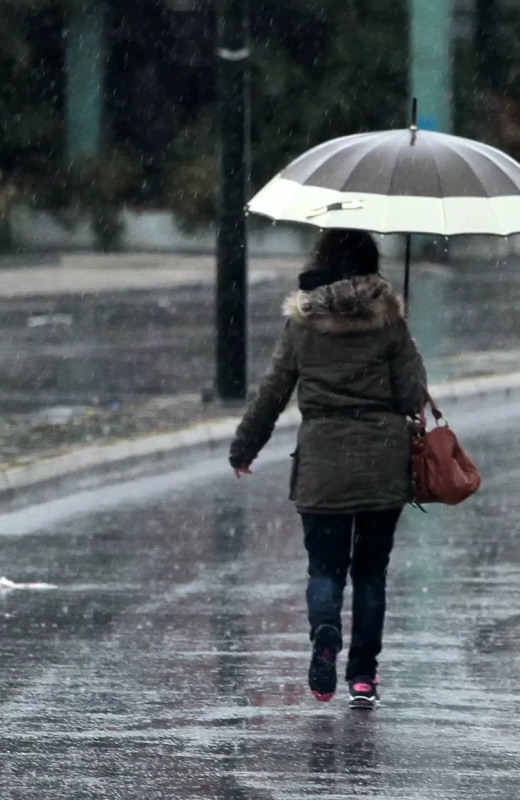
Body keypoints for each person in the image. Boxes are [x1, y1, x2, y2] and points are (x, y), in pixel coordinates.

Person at [229, 229, 428, 709]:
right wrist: (406, 340)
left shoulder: (303, 322)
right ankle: (362, 677)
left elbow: (272, 392)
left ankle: (325, 629)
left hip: (323, 462)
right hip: (382, 461)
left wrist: (244, 448)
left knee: (325, 568)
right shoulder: (389, 320)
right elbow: (411, 396)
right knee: (371, 573)